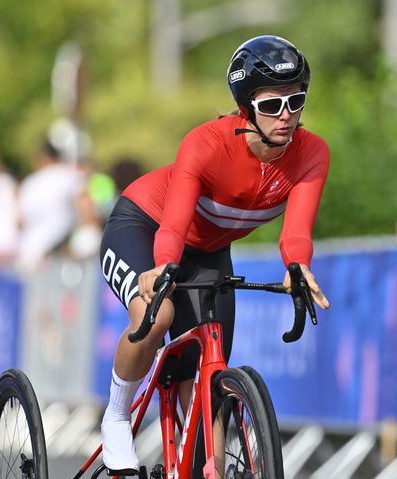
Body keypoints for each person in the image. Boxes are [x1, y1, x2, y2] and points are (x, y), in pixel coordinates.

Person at [98, 35, 331, 474]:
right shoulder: (206, 144)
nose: (286, 116)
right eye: (271, 106)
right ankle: (116, 416)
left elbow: (296, 233)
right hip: (144, 225)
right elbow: (173, 226)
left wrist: (297, 268)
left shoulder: (312, 153)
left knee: (207, 369)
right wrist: (163, 265)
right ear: (246, 107)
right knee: (158, 314)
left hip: (208, 248)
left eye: (295, 101)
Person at [17, 139, 83, 269]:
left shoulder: (29, 183)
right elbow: (84, 205)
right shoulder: (69, 175)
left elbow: (20, 221)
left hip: (29, 252)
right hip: (58, 251)